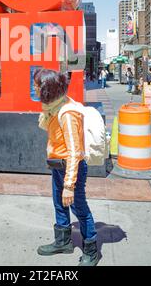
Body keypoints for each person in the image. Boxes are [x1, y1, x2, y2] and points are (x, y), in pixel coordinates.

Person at [34, 69, 99, 267]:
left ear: (47, 89)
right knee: (59, 204)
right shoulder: (55, 106)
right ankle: (63, 242)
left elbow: (74, 151)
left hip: (72, 167)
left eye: (37, 85)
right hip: (59, 166)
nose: (34, 88)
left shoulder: (67, 113)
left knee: (79, 208)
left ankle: (91, 250)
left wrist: (69, 185)